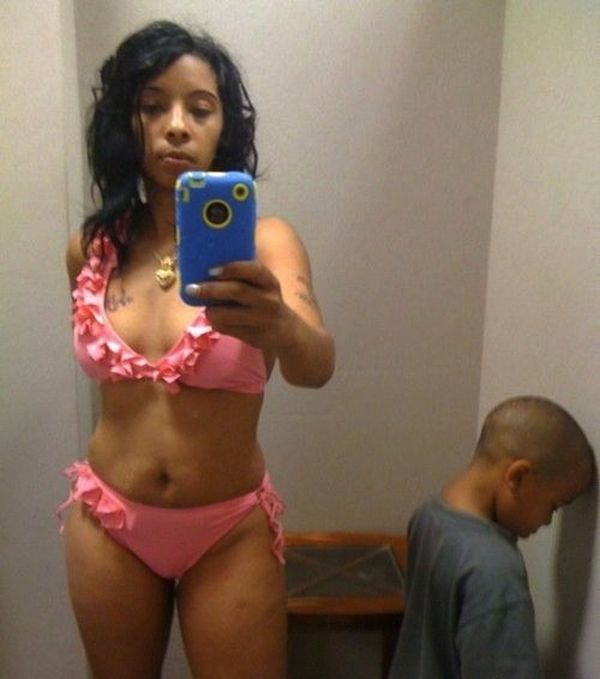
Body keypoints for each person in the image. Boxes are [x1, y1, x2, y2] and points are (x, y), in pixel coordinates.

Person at [57, 20, 334, 679]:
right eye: (153, 106)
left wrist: (279, 325)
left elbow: (316, 365)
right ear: (126, 123)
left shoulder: (265, 242)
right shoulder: (92, 248)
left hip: (226, 530)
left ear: (223, 127)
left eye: (200, 109)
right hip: (110, 520)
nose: (176, 126)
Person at [388, 396, 595, 679]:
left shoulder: (427, 515)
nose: (547, 521)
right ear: (518, 477)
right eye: (554, 506)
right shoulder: (496, 570)